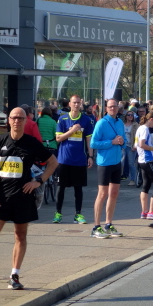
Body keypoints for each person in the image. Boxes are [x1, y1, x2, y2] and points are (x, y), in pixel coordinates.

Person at [0, 107, 58, 290]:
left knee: (20, 236)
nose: (16, 121)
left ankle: (14, 276)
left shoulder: (32, 143)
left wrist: (38, 181)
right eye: (14, 118)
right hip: (1, 198)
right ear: (9, 120)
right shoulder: (0, 141)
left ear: (25, 121)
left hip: (23, 197)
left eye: (20, 118)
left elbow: (53, 163)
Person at [53, 95, 95, 225]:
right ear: (70, 104)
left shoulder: (86, 120)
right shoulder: (63, 119)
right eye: (74, 102)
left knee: (78, 188)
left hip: (79, 160)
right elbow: (58, 139)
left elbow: (88, 140)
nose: (76, 105)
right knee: (61, 187)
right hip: (64, 159)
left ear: (81, 104)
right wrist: (72, 130)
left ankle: (78, 214)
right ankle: (58, 213)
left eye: (78, 103)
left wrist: (90, 156)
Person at [90, 99, 126, 238]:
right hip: (104, 163)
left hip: (117, 162)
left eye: (115, 106)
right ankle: (96, 227)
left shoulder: (120, 122)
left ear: (118, 108)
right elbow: (93, 143)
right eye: (110, 107)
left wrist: (122, 142)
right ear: (106, 108)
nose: (113, 108)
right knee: (102, 194)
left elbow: (124, 141)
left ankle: (108, 224)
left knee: (114, 193)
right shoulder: (101, 123)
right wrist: (111, 142)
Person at [136, 111, 153, 220]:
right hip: (148, 159)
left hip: (142, 160)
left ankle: (144, 211)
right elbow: (141, 144)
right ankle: (151, 211)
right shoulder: (145, 129)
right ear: (151, 119)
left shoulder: (140, 128)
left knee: (146, 185)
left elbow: (136, 144)